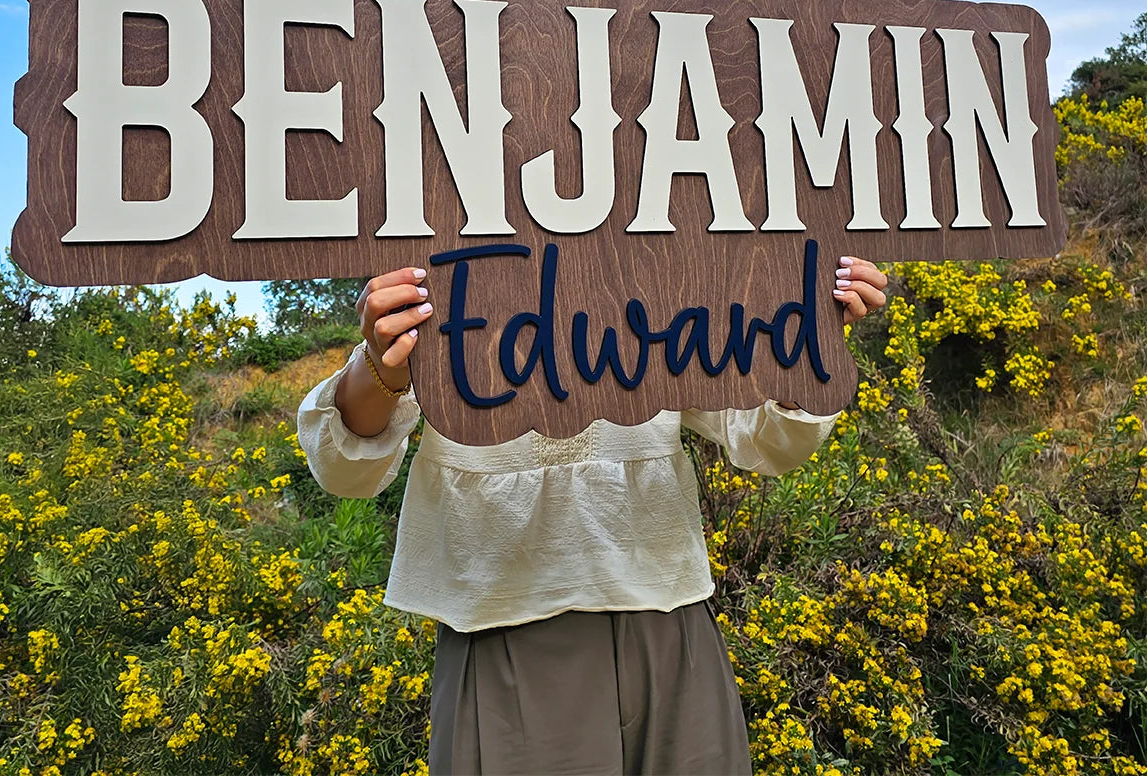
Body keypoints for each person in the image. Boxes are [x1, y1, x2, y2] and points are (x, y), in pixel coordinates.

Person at [297, 257, 888, 775]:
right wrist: (382, 364)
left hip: (667, 614)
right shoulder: (441, 260)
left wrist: (809, 337)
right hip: (502, 622)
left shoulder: (660, 262)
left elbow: (764, 435)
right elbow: (348, 468)